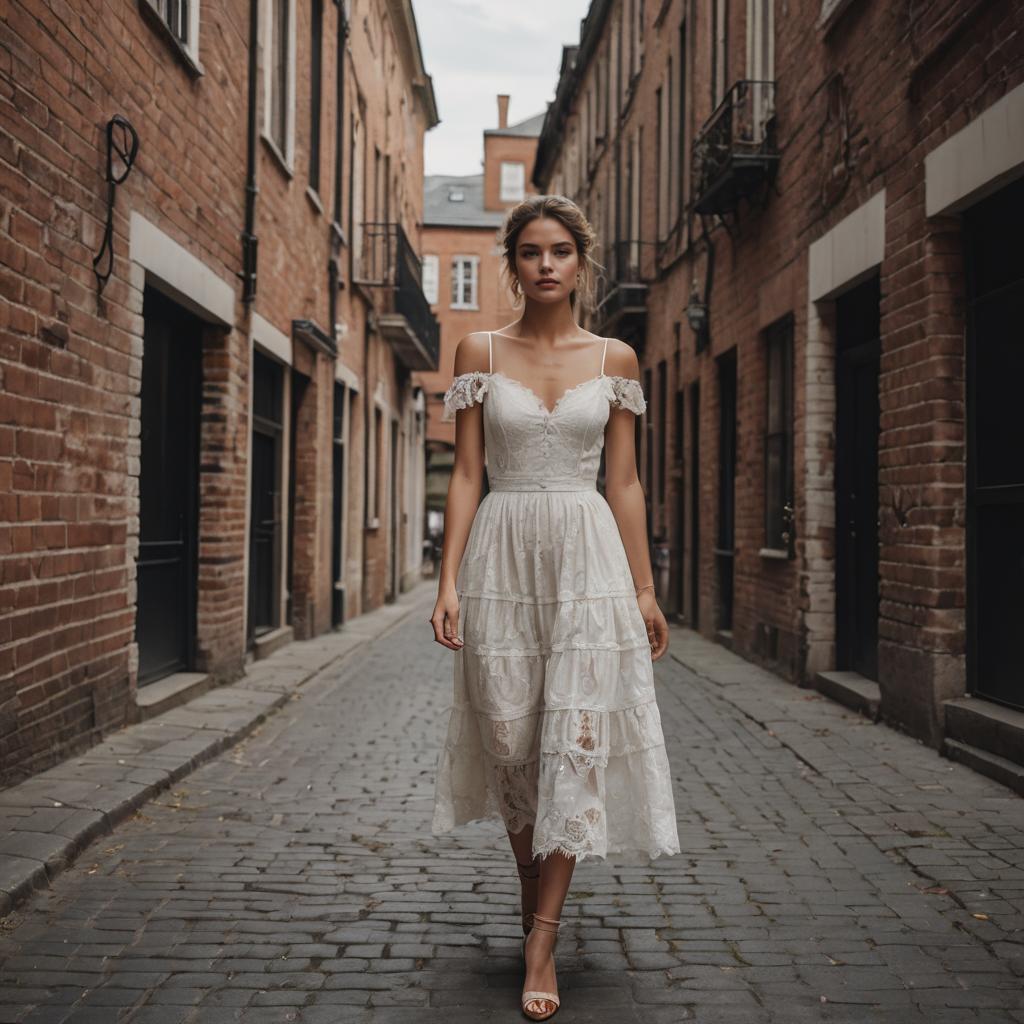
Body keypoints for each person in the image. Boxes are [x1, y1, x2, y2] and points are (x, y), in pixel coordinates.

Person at [429, 195, 681, 1020]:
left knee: (571, 738)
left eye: (561, 251)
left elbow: (626, 483)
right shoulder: (478, 349)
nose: (546, 264)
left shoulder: (616, 359)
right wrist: (448, 579)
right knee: (510, 738)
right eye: (532, 251)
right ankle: (531, 890)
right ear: (513, 262)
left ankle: (543, 936)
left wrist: (643, 588)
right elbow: (467, 474)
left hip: (586, 555)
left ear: (582, 261)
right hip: (503, 553)